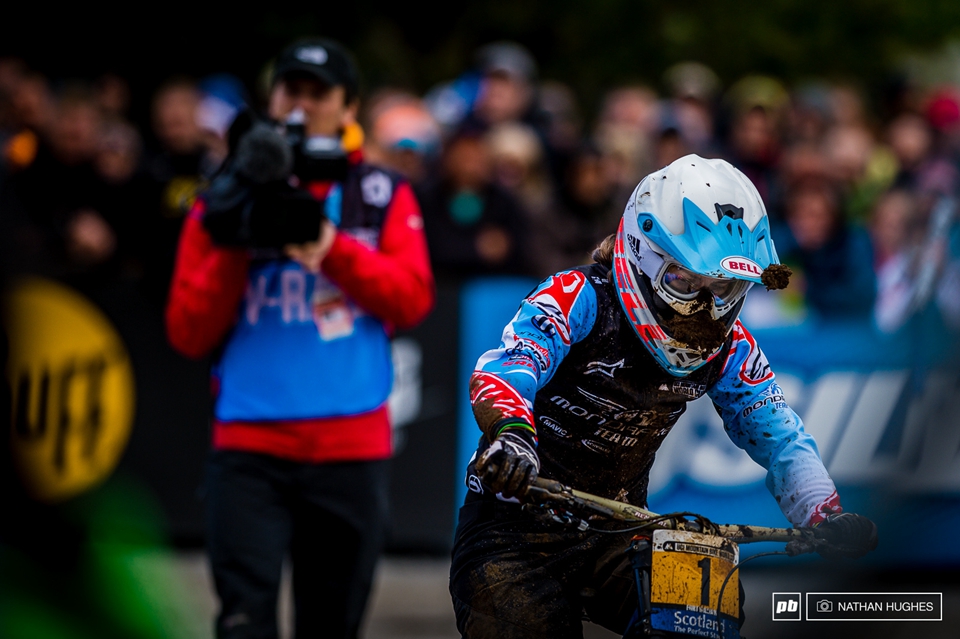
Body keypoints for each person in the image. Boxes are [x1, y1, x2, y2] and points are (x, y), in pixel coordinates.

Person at [449, 154, 878, 638]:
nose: (704, 308)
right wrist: (512, 437)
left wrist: (826, 515)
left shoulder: (731, 346)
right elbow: (507, 368)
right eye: (683, 282)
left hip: (620, 531)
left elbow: (781, 437)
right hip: (511, 533)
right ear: (641, 253)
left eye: (725, 287)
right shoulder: (578, 296)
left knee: (706, 602)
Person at [165, 37, 435, 639]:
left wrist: (331, 248)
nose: (303, 104)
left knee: (332, 625)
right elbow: (187, 332)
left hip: (351, 449)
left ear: (348, 108)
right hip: (249, 448)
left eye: (320, 93)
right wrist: (240, 230)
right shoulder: (221, 199)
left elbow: (412, 298)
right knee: (243, 624)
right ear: (272, 98)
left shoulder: (381, 194)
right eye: (292, 90)